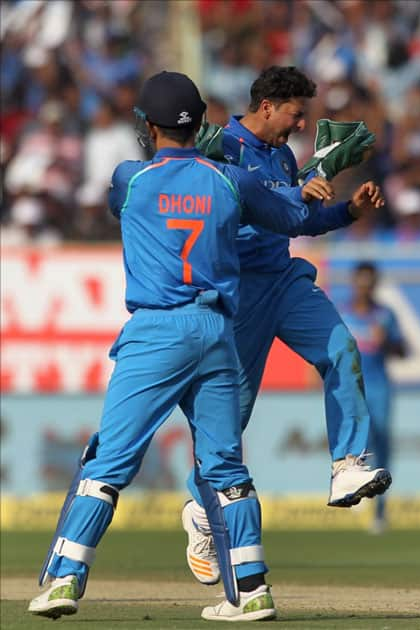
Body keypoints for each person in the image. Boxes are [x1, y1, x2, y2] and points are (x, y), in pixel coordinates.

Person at [27, 71, 383, 623]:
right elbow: (290, 216)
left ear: (149, 126)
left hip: (157, 331)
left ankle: (64, 581)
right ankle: (253, 589)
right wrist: (313, 187)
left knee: (108, 462)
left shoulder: (131, 177)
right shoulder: (230, 181)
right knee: (225, 466)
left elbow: (120, 202)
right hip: (217, 329)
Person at [184, 66, 392, 584]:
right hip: (239, 293)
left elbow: (297, 222)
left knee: (341, 347)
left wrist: (346, 209)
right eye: (296, 114)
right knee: (228, 426)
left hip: (284, 279)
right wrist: (292, 199)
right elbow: (225, 211)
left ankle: (348, 465)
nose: (301, 125)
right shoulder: (218, 148)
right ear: (269, 106)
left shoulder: (279, 155)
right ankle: (202, 510)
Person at [340, 262, 406, 533]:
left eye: (370, 282)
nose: (364, 287)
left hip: (378, 387)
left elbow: (402, 350)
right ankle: (349, 498)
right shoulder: (342, 313)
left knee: (381, 445)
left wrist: (386, 341)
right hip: (349, 388)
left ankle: (379, 511)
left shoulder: (385, 315)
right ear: (354, 283)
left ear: (375, 284)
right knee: (352, 446)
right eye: (361, 281)